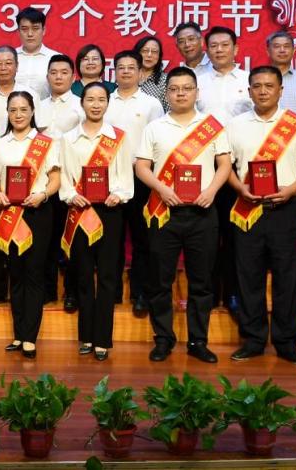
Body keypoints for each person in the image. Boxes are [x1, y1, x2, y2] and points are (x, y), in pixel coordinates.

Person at [136, 67, 232, 364]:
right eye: (174, 89)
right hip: (164, 213)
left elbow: (225, 164)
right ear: (167, 93)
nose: (180, 94)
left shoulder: (212, 127)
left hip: (202, 213)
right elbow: (142, 167)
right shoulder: (155, 127)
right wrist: (161, 189)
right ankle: (163, 338)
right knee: (160, 280)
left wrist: (212, 191)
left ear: (196, 92)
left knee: (201, 281)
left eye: (187, 88)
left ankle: (198, 341)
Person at [226, 66, 296, 366]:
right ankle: (253, 339)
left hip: (284, 210)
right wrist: (240, 187)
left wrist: (292, 190)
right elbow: (225, 166)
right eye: (257, 86)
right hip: (248, 210)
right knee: (248, 277)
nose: (263, 91)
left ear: (281, 90)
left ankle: (287, 342)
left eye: (269, 86)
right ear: (249, 91)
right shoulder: (236, 125)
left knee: (287, 278)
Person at [59, 82, 134, 362]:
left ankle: (102, 339)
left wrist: (119, 194)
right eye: (90, 99)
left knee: (107, 276)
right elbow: (65, 177)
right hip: (80, 211)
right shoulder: (69, 138)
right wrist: (71, 195)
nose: (95, 104)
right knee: (82, 275)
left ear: (107, 103)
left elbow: (126, 176)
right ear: (82, 103)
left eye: (101, 99)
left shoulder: (118, 137)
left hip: (110, 212)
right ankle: (86, 337)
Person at [0, 92, 60, 359]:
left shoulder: (45, 143)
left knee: (34, 273)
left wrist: (44, 194)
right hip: (9, 213)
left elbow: (55, 178)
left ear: (32, 112)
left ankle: (30, 337)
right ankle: (18, 334)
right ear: (7, 113)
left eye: (23, 109)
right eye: (13, 110)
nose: (18, 115)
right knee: (15, 273)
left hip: (37, 212)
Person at [196, 26, 253, 318]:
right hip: (204, 168)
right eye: (214, 46)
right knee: (206, 236)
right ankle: (206, 293)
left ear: (236, 48)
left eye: (224, 45)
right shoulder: (196, 81)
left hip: (238, 169)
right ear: (206, 50)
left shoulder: (248, 80)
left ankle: (232, 293)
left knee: (234, 236)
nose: (219, 50)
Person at [0, 45, 36, 307]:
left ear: (16, 66)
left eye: (8, 63)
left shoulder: (30, 93)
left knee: (27, 238)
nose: (3, 68)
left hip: (28, 174)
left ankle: (26, 291)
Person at [105, 50, 164, 314]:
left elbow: (158, 142)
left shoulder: (151, 104)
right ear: (114, 72)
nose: (126, 71)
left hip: (141, 177)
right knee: (112, 239)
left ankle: (141, 293)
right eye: (121, 67)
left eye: (132, 67)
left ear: (140, 72)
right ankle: (112, 291)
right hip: (111, 179)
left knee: (143, 238)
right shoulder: (105, 100)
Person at [36, 54, 85, 311]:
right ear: (47, 77)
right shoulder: (37, 105)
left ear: (73, 76)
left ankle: (72, 292)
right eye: (53, 72)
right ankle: (46, 289)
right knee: (46, 239)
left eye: (64, 72)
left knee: (72, 239)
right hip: (44, 181)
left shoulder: (81, 105)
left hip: (72, 181)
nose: (58, 77)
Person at [14, 6, 60, 99]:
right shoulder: (10, 57)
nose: (30, 34)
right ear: (18, 32)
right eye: (25, 29)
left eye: (35, 28)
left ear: (44, 30)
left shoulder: (56, 58)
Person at [135, 35, 169, 111]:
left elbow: (170, 111)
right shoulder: (128, 77)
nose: (149, 55)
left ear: (159, 56)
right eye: (145, 51)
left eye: (154, 52)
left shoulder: (165, 81)